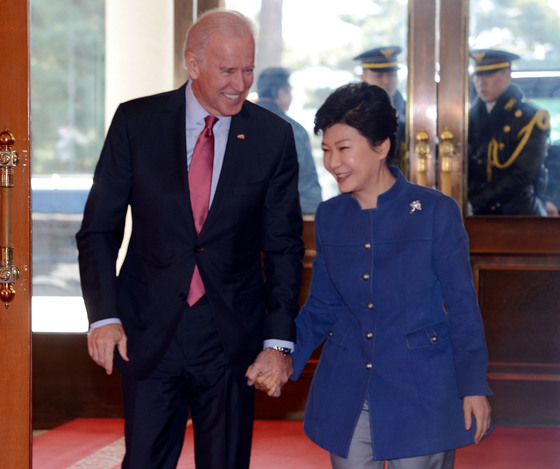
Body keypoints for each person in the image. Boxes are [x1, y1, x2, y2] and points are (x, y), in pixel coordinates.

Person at [76, 9, 304, 469]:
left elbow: (283, 247)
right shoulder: (135, 123)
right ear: (193, 64)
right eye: (227, 70)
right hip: (146, 330)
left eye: (248, 69)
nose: (241, 84)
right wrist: (103, 317)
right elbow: (99, 229)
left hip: (230, 337)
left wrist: (277, 344)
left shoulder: (271, 136)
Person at [255, 82, 492, 468]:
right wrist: (283, 356)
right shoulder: (330, 217)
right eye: (326, 150)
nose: (332, 163)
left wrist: (473, 386)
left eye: (344, 148)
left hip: (420, 390)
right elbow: (321, 307)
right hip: (348, 389)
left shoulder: (435, 211)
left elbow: (464, 308)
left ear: (380, 146)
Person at [468, 48, 550, 215]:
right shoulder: (470, 117)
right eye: (477, 76)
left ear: (507, 76)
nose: (481, 83)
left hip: (518, 214)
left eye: (488, 75)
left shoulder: (529, 118)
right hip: (478, 212)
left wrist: (474, 200)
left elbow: (522, 174)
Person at [256, 67, 322, 214]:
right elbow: (306, 183)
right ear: (281, 93)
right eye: (289, 91)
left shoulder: (238, 125)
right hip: (289, 216)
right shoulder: (294, 130)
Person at [354, 46, 406, 165]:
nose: (387, 81)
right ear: (363, 78)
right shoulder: (353, 115)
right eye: (379, 76)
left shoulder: (412, 112)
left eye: (392, 75)